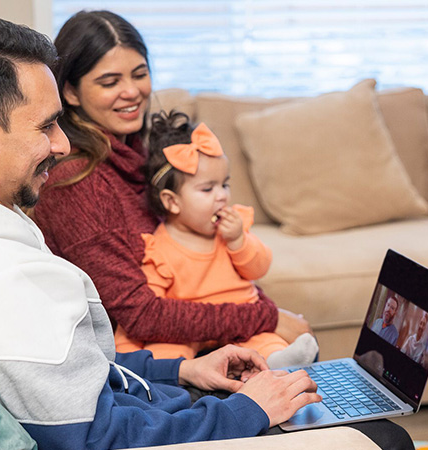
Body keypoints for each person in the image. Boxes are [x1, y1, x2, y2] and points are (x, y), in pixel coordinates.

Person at [0, 13, 324, 449]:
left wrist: (182, 369)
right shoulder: (0, 281)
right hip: (153, 431)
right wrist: (244, 413)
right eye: (47, 126)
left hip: (149, 401)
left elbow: (75, 378)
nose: (61, 144)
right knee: (375, 433)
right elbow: (98, 436)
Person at [32, 10, 311, 352]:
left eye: (140, 74)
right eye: (110, 82)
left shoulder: (139, 153)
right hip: (139, 358)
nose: (132, 91)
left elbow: (211, 254)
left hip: (188, 333)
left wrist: (258, 307)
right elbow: (140, 314)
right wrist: (265, 317)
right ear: (71, 93)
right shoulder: (76, 182)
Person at [113, 111, 319, 369]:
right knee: (164, 351)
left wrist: (238, 242)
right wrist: (125, 354)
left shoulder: (232, 230)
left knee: (266, 340)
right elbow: (145, 314)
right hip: (187, 331)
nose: (222, 196)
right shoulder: (159, 248)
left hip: (242, 322)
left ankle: (277, 362)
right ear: (172, 201)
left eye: (225, 184)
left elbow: (259, 267)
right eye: (208, 189)